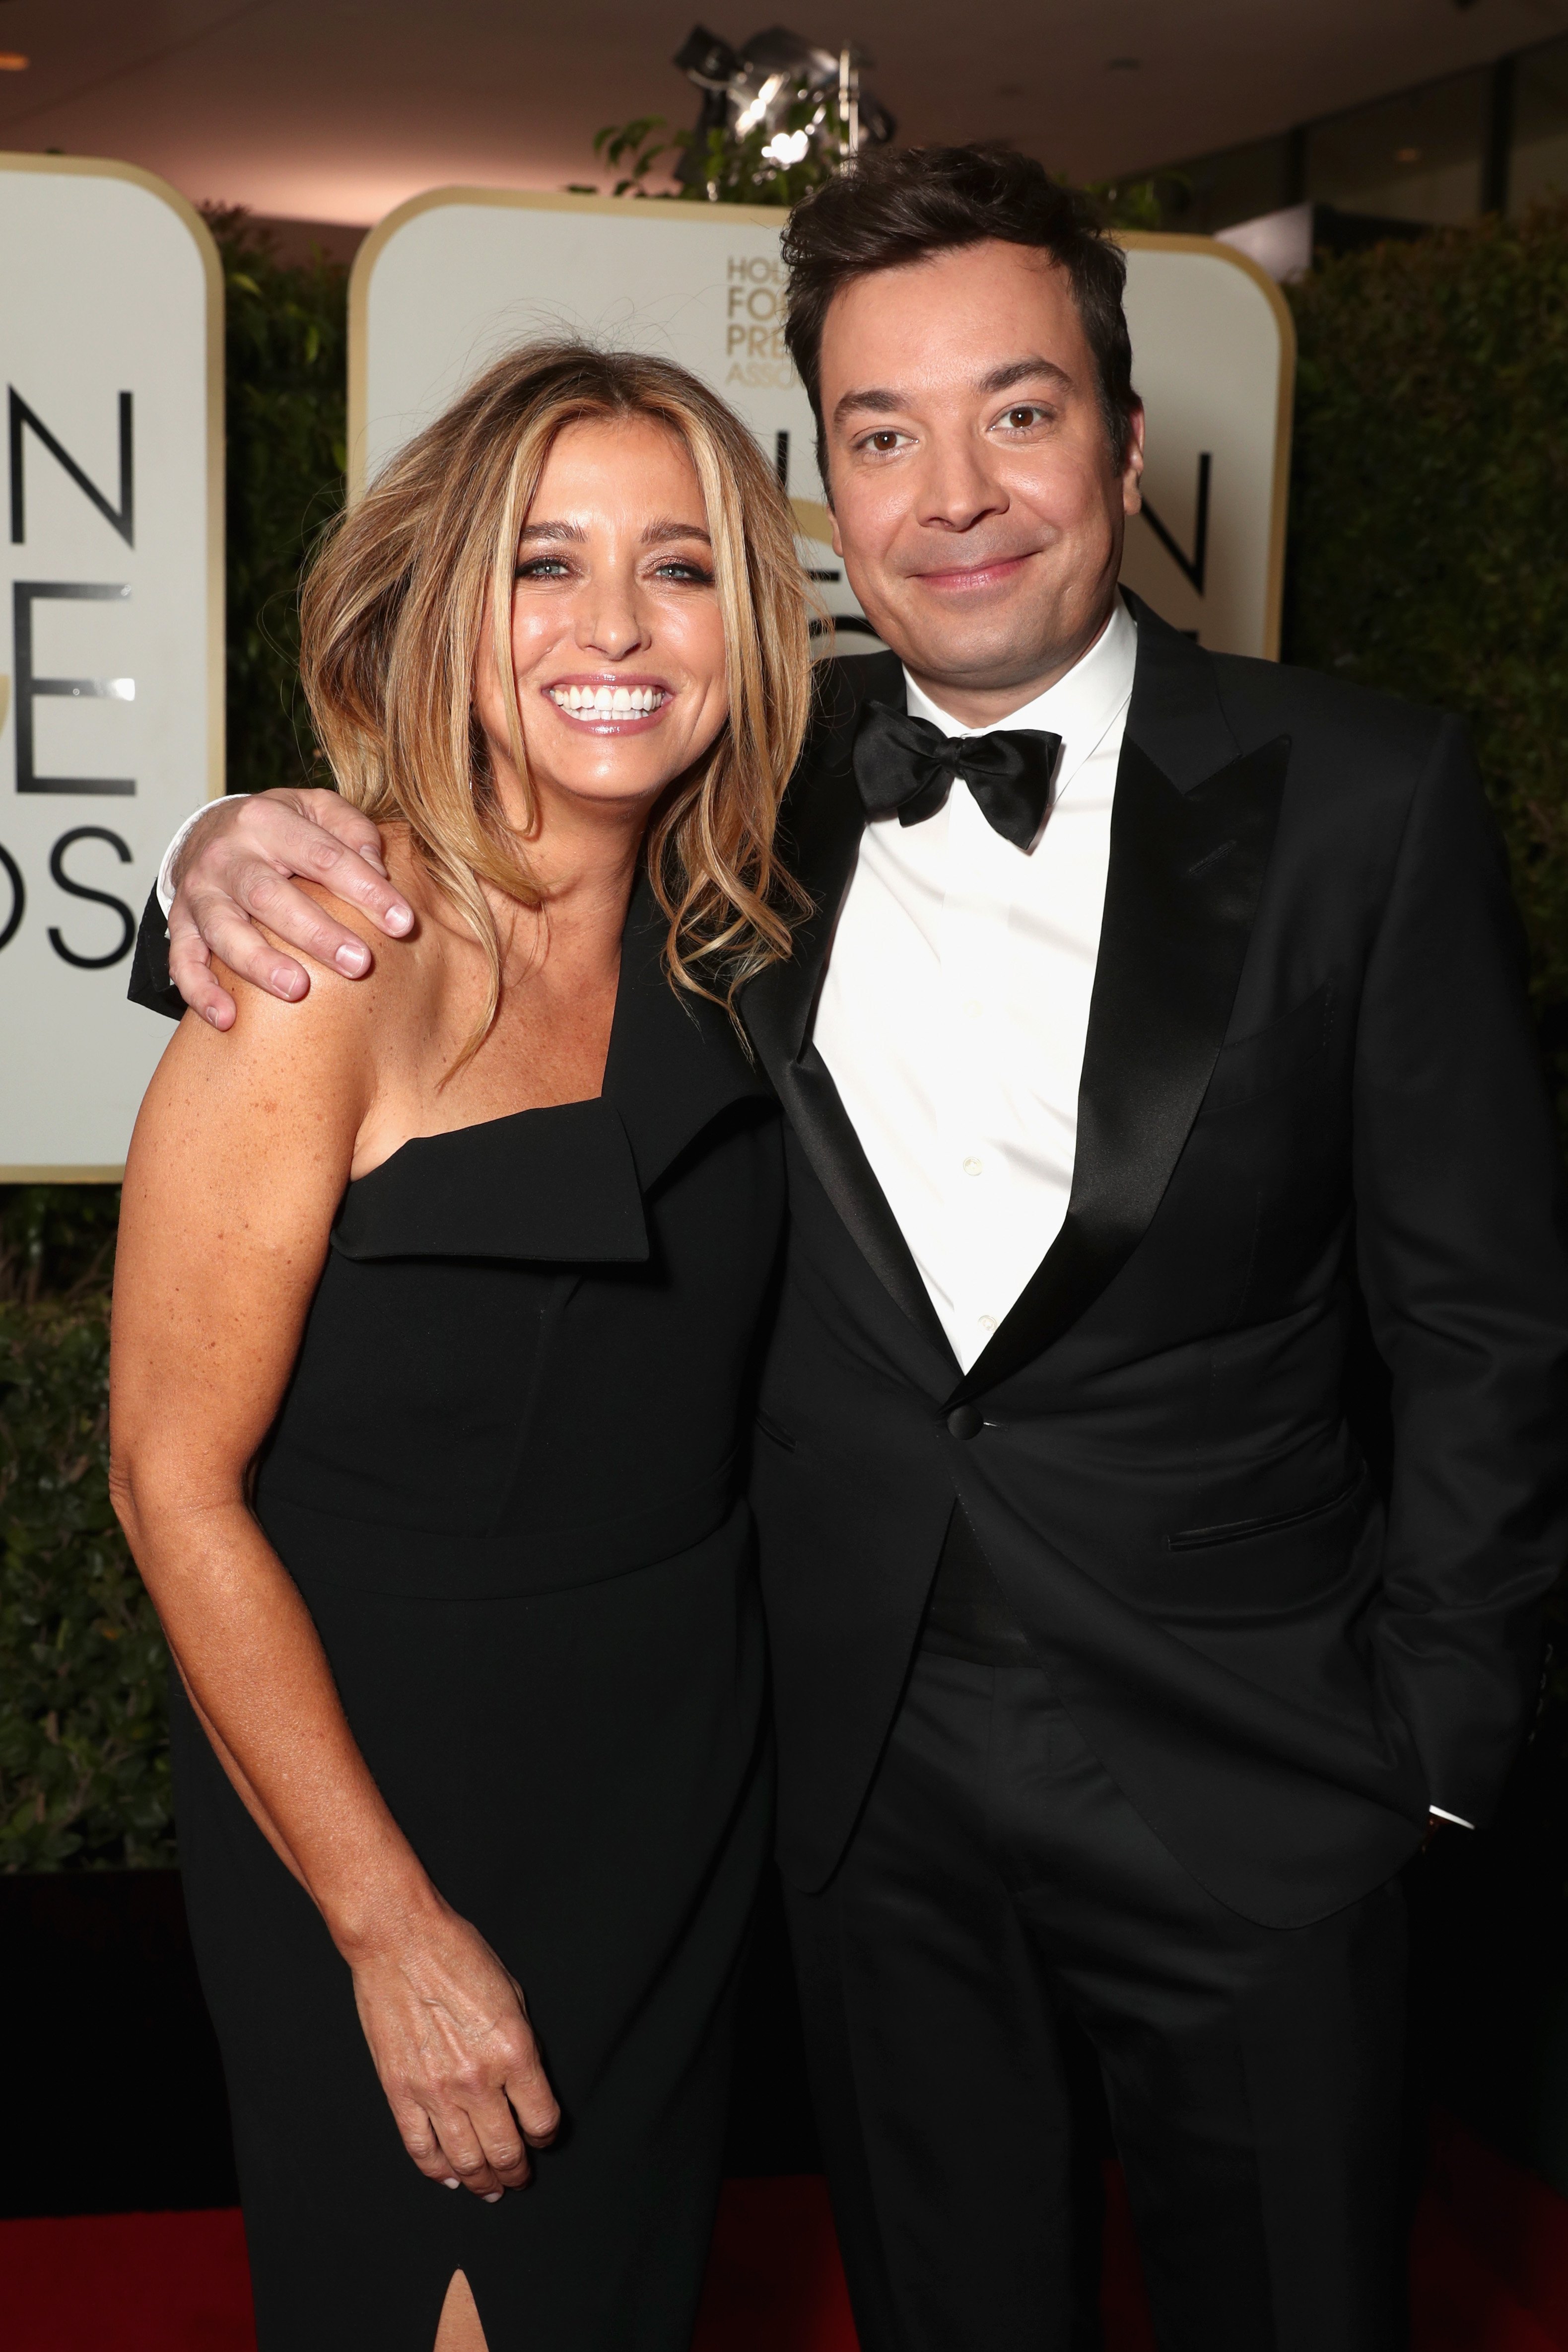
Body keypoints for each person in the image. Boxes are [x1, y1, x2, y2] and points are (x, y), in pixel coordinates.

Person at [131, 148, 1568, 2351]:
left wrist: (1436, 1750)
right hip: (854, 1808)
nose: (957, 489)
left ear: (1120, 439)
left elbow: (1480, 1313)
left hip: (1259, 1797)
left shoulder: (1363, 799)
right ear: (832, 485)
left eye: (1016, 411)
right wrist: (225, 838)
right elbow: (444, 868)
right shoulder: (760, 808)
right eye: (884, 433)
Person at [110, 341, 811, 2352]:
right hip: (390, 1793)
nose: (611, 627)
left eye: (676, 568)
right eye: (541, 563)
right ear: (444, 604)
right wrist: (386, 1925)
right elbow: (170, 1480)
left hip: (676, 1781)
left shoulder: (742, 924)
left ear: (746, 625)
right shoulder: (323, 963)